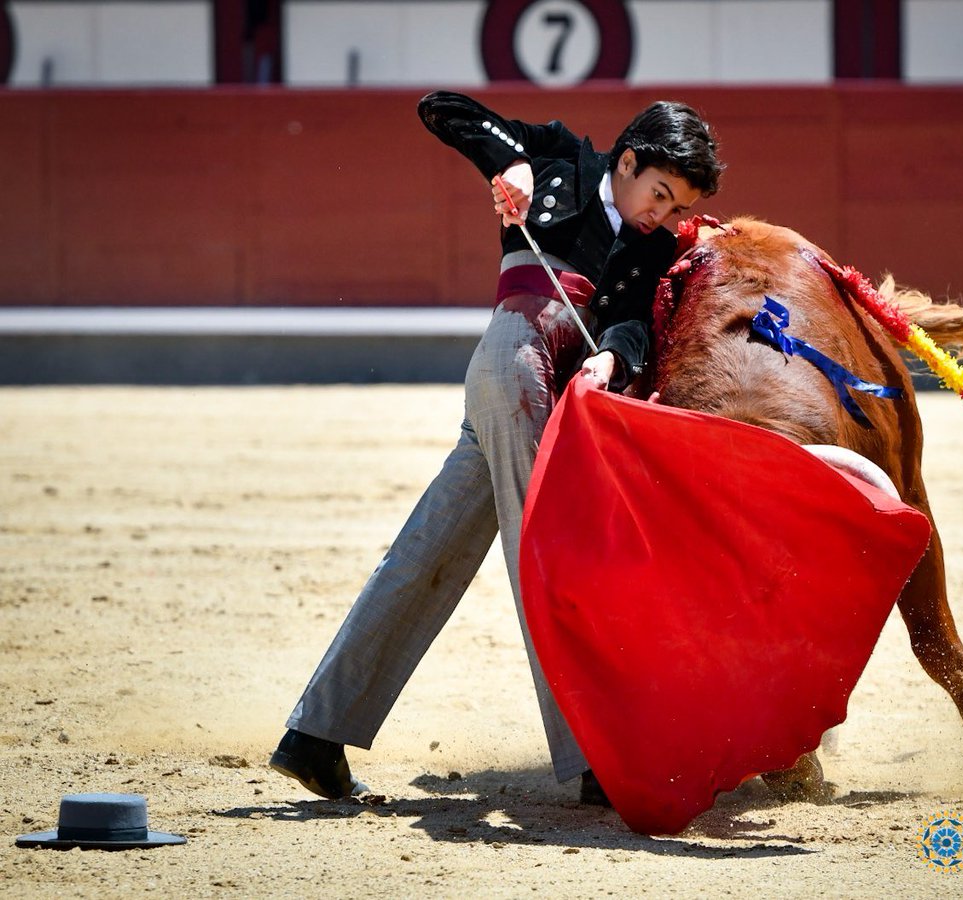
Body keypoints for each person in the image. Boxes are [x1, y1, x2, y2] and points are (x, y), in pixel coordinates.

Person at [270, 90, 722, 805]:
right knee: (550, 552)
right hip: (514, 363)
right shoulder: (558, 160)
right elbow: (441, 109)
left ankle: (316, 735)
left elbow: (631, 325)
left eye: (675, 211)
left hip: (553, 392)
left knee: (426, 554)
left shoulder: (649, 247)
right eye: (658, 195)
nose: (659, 217)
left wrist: (612, 358)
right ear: (627, 161)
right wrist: (508, 164)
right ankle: (595, 756)